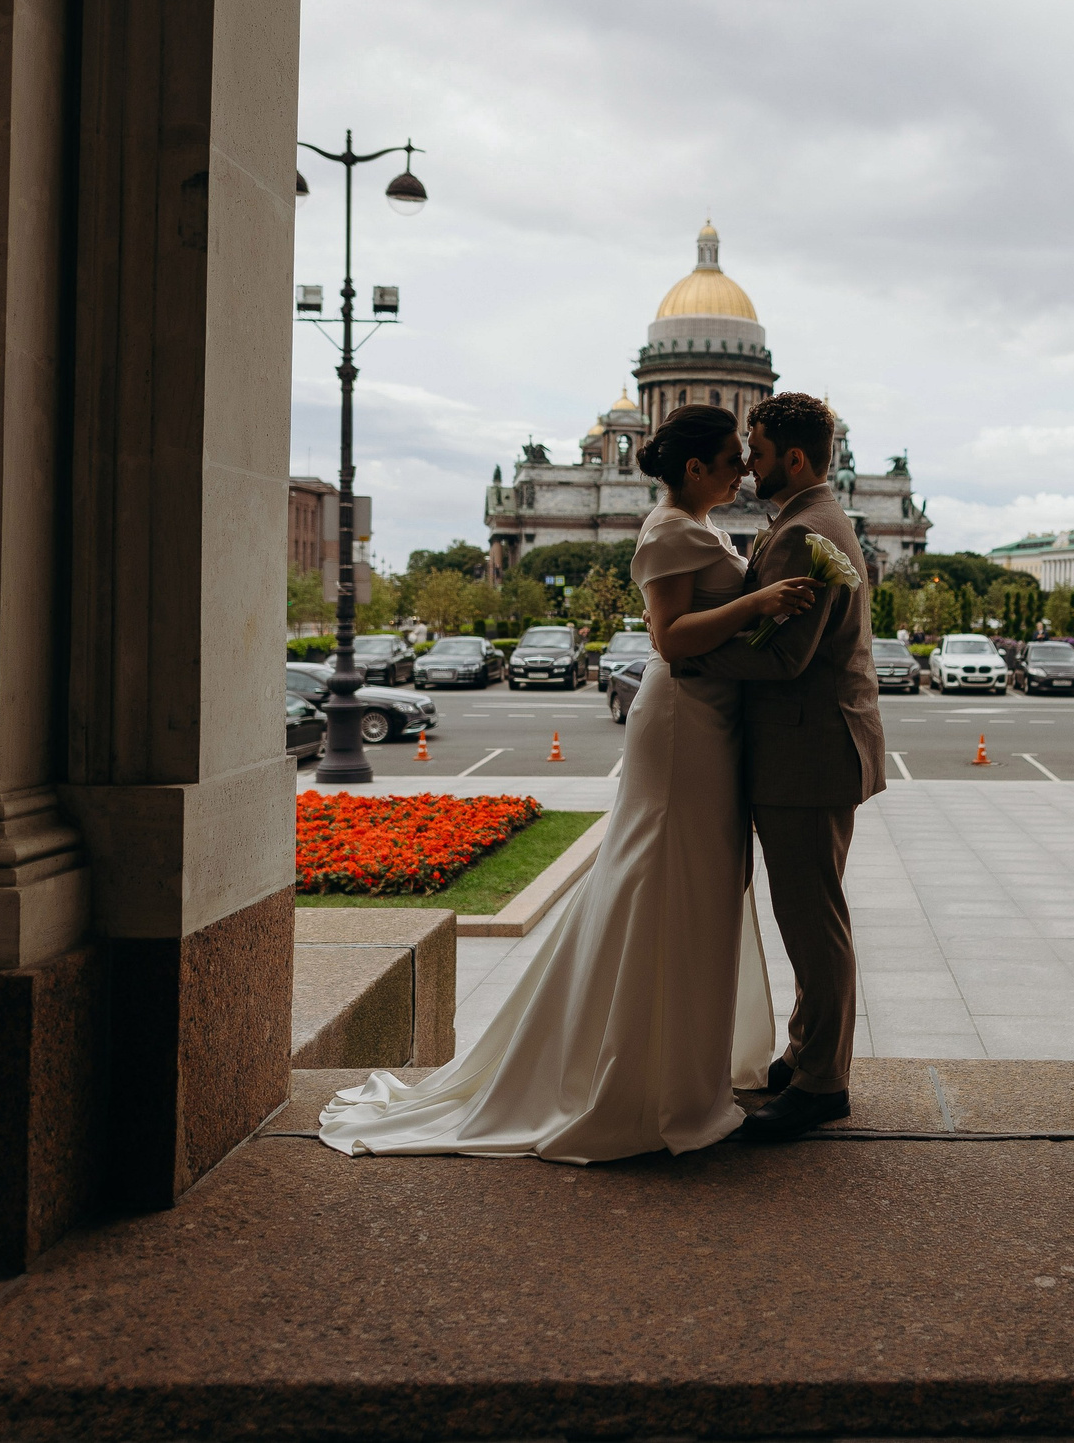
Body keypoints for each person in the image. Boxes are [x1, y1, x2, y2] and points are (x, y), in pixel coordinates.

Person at [316, 405, 812, 1162]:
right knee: (665, 877)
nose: (745, 468)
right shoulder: (668, 529)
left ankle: (676, 1059)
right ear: (694, 469)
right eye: (732, 458)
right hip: (682, 724)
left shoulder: (703, 526)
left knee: (697, 878)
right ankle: (644, 1074)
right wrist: (757, 602)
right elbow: (669, 638)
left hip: (711, 723)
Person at [675, 392, 886, 1141]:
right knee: (808, 911)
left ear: (794, 458)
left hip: (808, 749)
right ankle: (804, 1056)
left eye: (757, 454)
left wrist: (688, 653)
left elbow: (789, 656)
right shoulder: (809, 521)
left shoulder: (804, 531)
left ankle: (823, 1082)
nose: (748, 466)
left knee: (812, 918)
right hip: (818, 746)